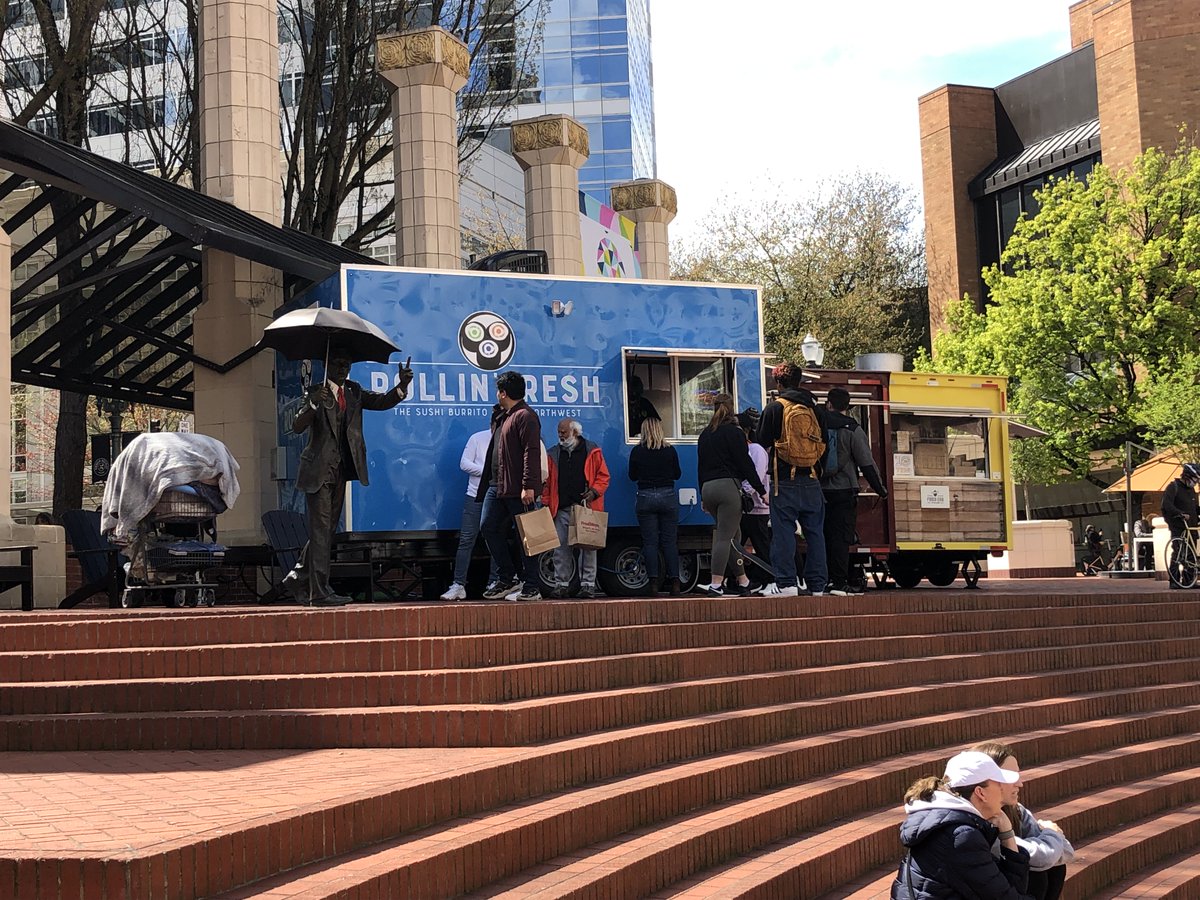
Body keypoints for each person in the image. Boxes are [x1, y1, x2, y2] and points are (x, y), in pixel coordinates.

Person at [285, 347, 412, 606]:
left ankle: (298, 576)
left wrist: (401, 386)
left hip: (341, 470)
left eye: (347, 365)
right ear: (328, 366)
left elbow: (381, 402)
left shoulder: (353, 391)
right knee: (321, 531)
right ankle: (319, 592)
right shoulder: (314, 391)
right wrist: (312, 404)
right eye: (339, 365)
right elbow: (297, 426)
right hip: (318, 471)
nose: (343, 369)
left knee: (326, 531)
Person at [891, 750, 1033, 900]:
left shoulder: (949, 823)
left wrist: (1007, 833)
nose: (1003, 788)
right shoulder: (960, 836)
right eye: (999, 784)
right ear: (980, 793)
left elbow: (1009, 889)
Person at [754, 362, 829, 597]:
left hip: (783, 479)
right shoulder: (815, 410)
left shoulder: (775, 408)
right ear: (800, 381)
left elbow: (761, 441)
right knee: (815, 533)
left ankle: (786, 583)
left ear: (778, 383)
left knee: (783, 532)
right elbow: (824, 444)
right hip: (812, 479)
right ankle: (817, 584)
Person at [971, 741, 1074, 900]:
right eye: (1011, 777)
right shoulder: (978, 822)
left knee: (1055, 868)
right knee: (1035, 874)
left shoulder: (1014, 809)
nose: (1020, 783)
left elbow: (1066, 851)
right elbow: (1042, 857)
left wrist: (1050, 841)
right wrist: (1050, 832)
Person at [478, 370, 545, 602]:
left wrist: (529, 486)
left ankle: (532, 586)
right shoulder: (503, 416)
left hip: (518, 488)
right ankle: (508, 578)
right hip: (497, 485)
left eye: (498, 390)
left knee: (527, 535)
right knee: (488, 526)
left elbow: (531, 451)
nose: (496, 394)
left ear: (503, 393)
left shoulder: (525, 416)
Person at [695, 394, 766, 596]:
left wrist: (702, 495)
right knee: (724, 538)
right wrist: (761, 491)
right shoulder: (734, 433)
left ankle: (743, 581)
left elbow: (700, 467)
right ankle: (716, 584)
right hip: (728, 488)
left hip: (708, 488)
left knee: (735, 535)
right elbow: (745, 464)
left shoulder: (705, 434)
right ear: (731, 408)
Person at [820, 387, 887, 597]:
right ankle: (838, 582)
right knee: (841, 538)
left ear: (829, 404)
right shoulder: (853, 429)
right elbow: (866, 464)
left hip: (819, 491)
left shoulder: (817, 426)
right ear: (847, 407)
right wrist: (880, 490)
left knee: (820, 536)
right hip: (844, 491)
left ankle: (820, 579)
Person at [440, 405, 504, 601]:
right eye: (496, 426)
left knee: (496, 540)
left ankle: (495, 581)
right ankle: (459, 584)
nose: (498, 430)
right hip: (475, 495)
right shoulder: (477, 438)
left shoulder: (508, 440)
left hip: (498, 497)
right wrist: (487, 472)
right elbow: (464, 463)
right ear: (491, 424)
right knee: (467, 539)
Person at [543, 417, 610, 599]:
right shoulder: (554, 453)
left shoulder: (592, 450)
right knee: (560, 549)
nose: (560, 435)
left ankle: (588, 585)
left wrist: (594, 492)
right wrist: (546, 504)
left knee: (589, 547)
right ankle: (561, 584)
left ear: (575, 432)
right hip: (562, 507)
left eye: (563, 432)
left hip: (586, 507)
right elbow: (547, 483)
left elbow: (603, 477)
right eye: (559, 432)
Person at [628, 414, 681, 595]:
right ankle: (675, 583)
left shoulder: (637, 451)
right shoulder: (670, 450)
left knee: (650, 543)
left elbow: (632, 476)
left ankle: (653, 584)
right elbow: (677, 474)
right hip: (667, 495)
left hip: (645, 496)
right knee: (669, 542)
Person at [737, 409, 771, 591]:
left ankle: (770, 579)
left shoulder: (756, 450)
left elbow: (757, 475)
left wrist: (743, 492)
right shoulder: (745, 450)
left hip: (757, 507)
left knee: (761, 546)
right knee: (741, 544)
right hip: (746, 507)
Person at [1162, 462, 1200, 588]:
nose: (1196, 482)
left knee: (1191, 555)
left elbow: (1194, 508)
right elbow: (1166, 505)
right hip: (1178, 526)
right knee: (1178, 552)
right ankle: (1174, 581)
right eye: (1195, 479)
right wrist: (1179, 513)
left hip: (1191, 526)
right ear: (1187, 476)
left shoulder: (1191, 490)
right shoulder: (1173, 487)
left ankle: (1189, 580)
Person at [627, 374, 661, 438]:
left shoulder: (645, 403)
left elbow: (656, 422)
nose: (633, 393)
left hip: (644, 439)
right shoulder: (623, 405)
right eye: (632, 390)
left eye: (636, 390)